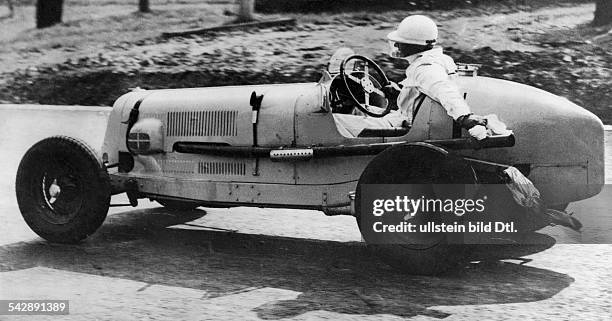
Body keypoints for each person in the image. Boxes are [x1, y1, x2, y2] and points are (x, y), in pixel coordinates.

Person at [382, 15, 490, 140]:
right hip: (406, 117)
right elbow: (424, 90)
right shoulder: (440, 59)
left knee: (353, 124)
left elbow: (444, 89)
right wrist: (399, 94)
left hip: (403, 124)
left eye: (402, 42)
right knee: (360, 113)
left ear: (414, 45)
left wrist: (465, 117)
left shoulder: (425, 68)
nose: (397, 45)